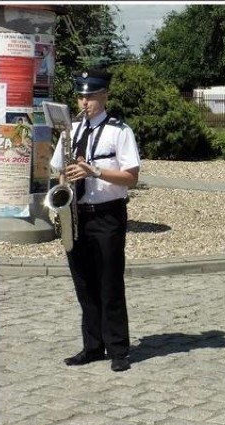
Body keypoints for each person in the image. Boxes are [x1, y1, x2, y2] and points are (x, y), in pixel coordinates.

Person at [50, 68, 140, 373]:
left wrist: (94, 171)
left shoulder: (119, 131)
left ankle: (118, 349)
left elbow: (131, 177)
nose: (84, 101)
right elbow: (57, 169)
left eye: (90, 96)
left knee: (109, 282)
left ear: (104, 96)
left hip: (107, 214)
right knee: (84, 282)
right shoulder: (71, 130)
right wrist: (63, 182)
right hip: (76, 213)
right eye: (80, 96)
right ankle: (92, 345)